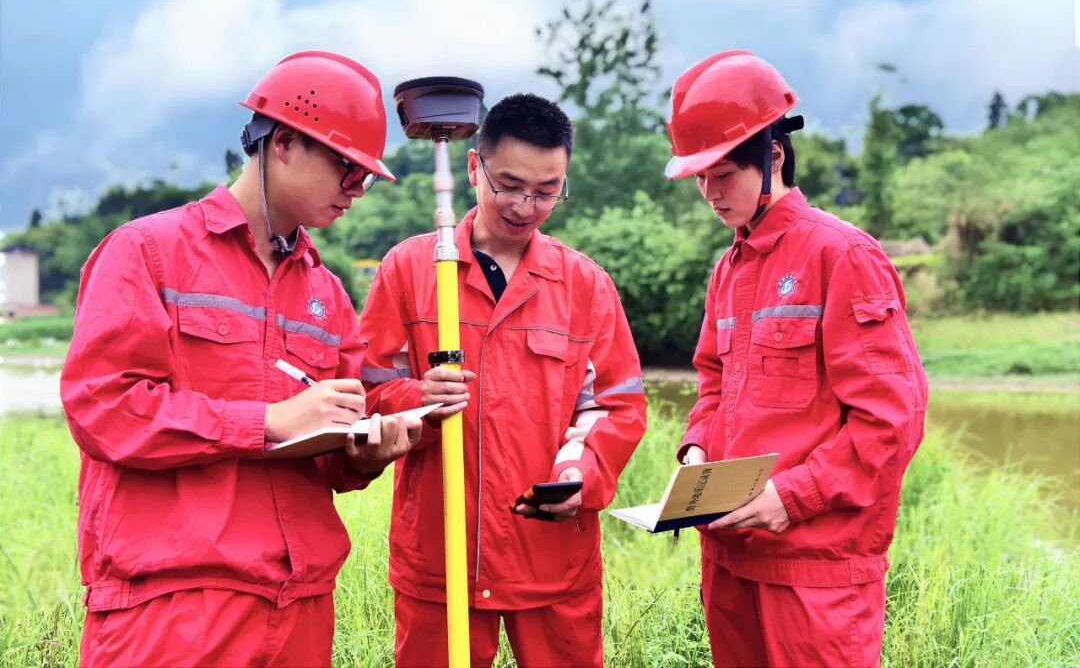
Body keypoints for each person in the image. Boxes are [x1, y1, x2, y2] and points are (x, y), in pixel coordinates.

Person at [61, 50, 422, 668]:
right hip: (174, 604)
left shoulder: (325, 293)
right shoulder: (148, 253)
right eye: (347, 171)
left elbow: (332, 456)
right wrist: (269, 421)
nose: (356, 193)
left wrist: (362, 455)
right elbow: (105, 409)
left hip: (300, 602)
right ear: (284, 142)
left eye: (365, 179)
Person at [358, 93, 647, 667]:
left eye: (546, 191)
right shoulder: (410, 272)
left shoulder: (585, 286)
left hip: (551, 559)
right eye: (509, 185)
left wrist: (578, 474)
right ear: (473, 168)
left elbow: (615, 405)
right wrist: (418, 400)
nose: (525, 205)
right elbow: (366, 393)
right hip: (442, 557)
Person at [666, 50, 928, 667]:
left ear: (773, 156)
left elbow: (892, 420)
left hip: (817, 571)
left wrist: (795, 497)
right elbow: (712, 383)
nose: (709, 194)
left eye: (722, 174)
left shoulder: (842, 257)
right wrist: (699, 452)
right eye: (699, 178)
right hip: (731, 558)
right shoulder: (726, 271)